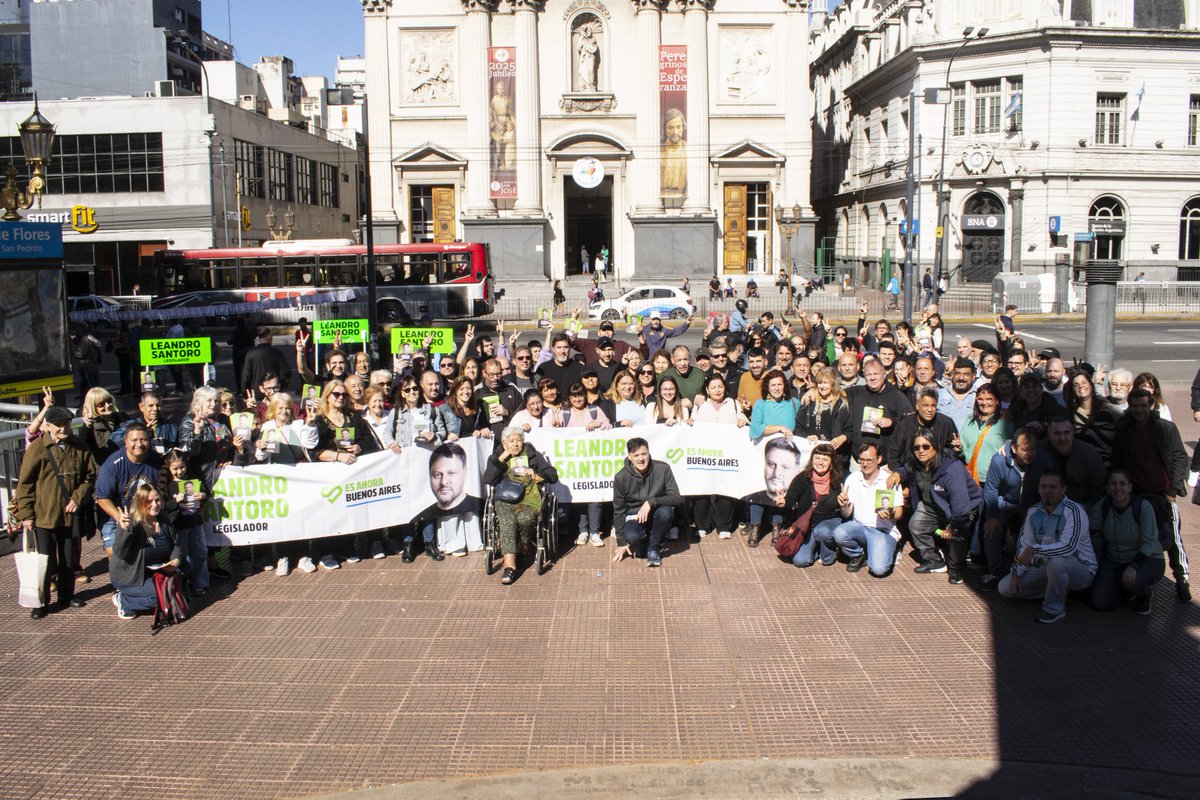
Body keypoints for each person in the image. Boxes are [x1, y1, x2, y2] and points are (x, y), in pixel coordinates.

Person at [13, 406, 96, 619]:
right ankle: (41, 602)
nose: (63, 428)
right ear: (47, 426)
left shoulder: (79, 446)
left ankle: (67, 596)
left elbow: (91, 477)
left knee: (69, 558)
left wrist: (78, 497)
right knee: (45, 560)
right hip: (44, 515)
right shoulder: (38, 447)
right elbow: (25, 483)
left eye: (66, 424)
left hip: (69, 515)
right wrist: (26, 515)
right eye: (58, 425)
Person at [1111, 388, 1191, 603]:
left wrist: (1173, 491)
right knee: (1141, 540)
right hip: (1136, 495)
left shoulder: (1166, 428)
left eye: (1143, 405)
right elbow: (1118, 461)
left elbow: (1179, 458)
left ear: (1151, 405)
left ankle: (1182, 580)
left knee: (1172, 538)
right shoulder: (1123, 431)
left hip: (1163, 495)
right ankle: (1144, 584)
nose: (1139, 410)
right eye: (1135, 406)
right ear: (1129, 405)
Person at [998, 470, 1097, 624]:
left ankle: (1054, 609)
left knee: (1057, 562)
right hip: (1045, 566)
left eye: (1053, 487)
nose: (1047, 491)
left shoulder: (1075, 511)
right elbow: (1024, 545)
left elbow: (1068, 547)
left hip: (1080, 569)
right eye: (1043, 487)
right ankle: (1057, 590)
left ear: (1063, 490)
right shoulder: (1033, 511)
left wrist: (1034, 550)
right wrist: (1017, 571)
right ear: (1038, 489)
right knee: (1005, 588)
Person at [898, 430, 981, 584]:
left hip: (961, 508)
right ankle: (934, 560)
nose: (921, 451)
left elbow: (961, 507)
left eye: (926, 446)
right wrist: (897, 474)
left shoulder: (951, 468)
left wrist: (952, 527)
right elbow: (906, 468)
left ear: (935, 447)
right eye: (916, 448)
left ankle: (956, 568)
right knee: (916, 525)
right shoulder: (917, 463)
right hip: (934, 505)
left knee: (956, 534)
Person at [485, 428, 559, 585]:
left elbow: (552, 475)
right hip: (505, 498)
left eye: (518, 440)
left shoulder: (532, 454)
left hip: (528, 497)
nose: (515, 444)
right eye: (511, 441)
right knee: (507, 520)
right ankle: (510, 566)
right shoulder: (497, 455)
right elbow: (488, 478)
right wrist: (503, 457)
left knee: (525, 518)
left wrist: (537, 474)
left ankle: (523, 546)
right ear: (504, 443)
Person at [981, 428, 1055, 586]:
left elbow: (1050, 487)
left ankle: (1024, 570)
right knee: (991, 530)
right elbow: (991, 488)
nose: (1030, 453)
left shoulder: (1044, 461)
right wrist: (993, 515)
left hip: (1031, 504)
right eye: (1025, 449)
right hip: (1004, 502)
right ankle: (994, 572)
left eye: (1033, 449)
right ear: (1014, 448)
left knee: (1031, 533)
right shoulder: (999, 460)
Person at [1089, 469, 1163, 615]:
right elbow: (1092, 530)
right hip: (1114, 560)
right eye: (1113, 484)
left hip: (1146, 559)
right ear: (1108, 488)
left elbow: (1149, 543)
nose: (1118, 488)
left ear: (1130, 487)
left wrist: (1134, 566)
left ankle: (1144, 593)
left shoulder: (1143, 507)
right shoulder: (1103, 506)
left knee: (1134, 583)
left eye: (1122, 483)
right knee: (1099, 602)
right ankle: (1123, 587)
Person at [109, 484, 183, 620]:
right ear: (140, 503)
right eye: (149, 501)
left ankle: (139, 596)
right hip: (132, 576)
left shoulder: (163, 519)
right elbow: (120, 552)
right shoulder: (131, 523)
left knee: (176, 588)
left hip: (154, 571)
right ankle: (123, 600)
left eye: (157, 500)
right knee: (158, 597)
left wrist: (176, 560)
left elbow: (176, 544)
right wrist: (125, 530)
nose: (155, 504)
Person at [612, 437, 683, 567]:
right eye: (636, 455)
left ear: (649, 453)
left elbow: (677, 498)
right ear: (629, 457)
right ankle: (646, 542)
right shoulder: (621, 477)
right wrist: (621, 542)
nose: (641, 459)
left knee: (666, 513)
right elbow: (619, 511)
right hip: (635, 515)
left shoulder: (663, 468)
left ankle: (653, 549)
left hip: (658, 511)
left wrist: (651, 502)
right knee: (633, 537)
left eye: (644, 454)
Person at [94, 421, 159, 559]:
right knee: (117, 553)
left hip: (145, 513)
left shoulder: (156, 460)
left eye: (144, 439)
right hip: (115, 515)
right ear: (126, 442)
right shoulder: (113, 463)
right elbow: (101, 497)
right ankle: (118, 578)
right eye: (134, 440)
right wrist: (119, 517)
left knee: (154, 550)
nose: (139, 444)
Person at [785, 443, 847, 569]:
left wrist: (845, 501)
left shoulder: (840, 479)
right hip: (808, 526)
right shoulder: (803, 478)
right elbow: (790, 499)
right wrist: (784, 502)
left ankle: (830, 554)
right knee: (800, 561)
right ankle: (817, 549)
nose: (820, 462)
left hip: (830, 523)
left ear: (832, 462)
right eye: (817, 458)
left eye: (825, 459)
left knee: (823, 531)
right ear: (812, 459)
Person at [417, 442, 482, 558]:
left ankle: (474, 541)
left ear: (465, 472)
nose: (444, 482)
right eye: (437, 475)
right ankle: (453, 543)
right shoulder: (424, 511)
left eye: (451, 473)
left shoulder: (477, 501)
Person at [743, 437, 807, 547]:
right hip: (758, 493)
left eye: (785, 467)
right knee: (757, 496)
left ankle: (777, 527)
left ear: (797, 469)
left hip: (786, 500)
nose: (777, 472)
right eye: (771, 464)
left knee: (781, 496)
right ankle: (755, 528)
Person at [1063, 367, 1121, 463]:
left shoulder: (1110, 410)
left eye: (1084, 382)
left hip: (1108, 465)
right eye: (1076, 385)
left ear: (1091, 385)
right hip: (1082, 466)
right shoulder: (1070, 414)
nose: (1080, 386)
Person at [748, 370, 799, 440]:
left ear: (784, 385)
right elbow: (755, 430)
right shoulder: (760, 404)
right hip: (766, 448)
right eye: (773, 385)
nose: (777, 388)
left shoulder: (794, 402)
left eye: (780, 384)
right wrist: (780, 428)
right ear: (767, 387)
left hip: (788, 447)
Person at [660, 106, 687, 198]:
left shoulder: (689, 150)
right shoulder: (658, 152)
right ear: (664, 129)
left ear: (683, 127)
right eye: (670, 128)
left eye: (678, 127)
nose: (675, 132)